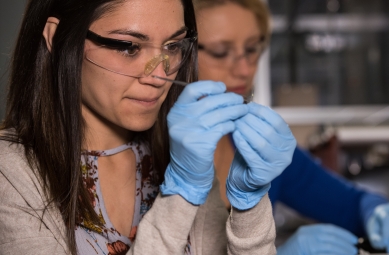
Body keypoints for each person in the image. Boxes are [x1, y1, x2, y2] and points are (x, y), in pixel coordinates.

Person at [0, 0, 297, 254]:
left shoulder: (183, 156)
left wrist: (249, 206)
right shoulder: (10, 174)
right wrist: (181, 194)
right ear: (57, 37)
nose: (160, 75)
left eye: (173, 45)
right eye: (129, 47)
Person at [193, 0, 389, 254]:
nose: (245, 69)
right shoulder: (148, 155)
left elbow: (350, 204)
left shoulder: (260, 148)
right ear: (178, 51)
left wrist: (377, 210)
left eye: (251, 49)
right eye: (221, 51)